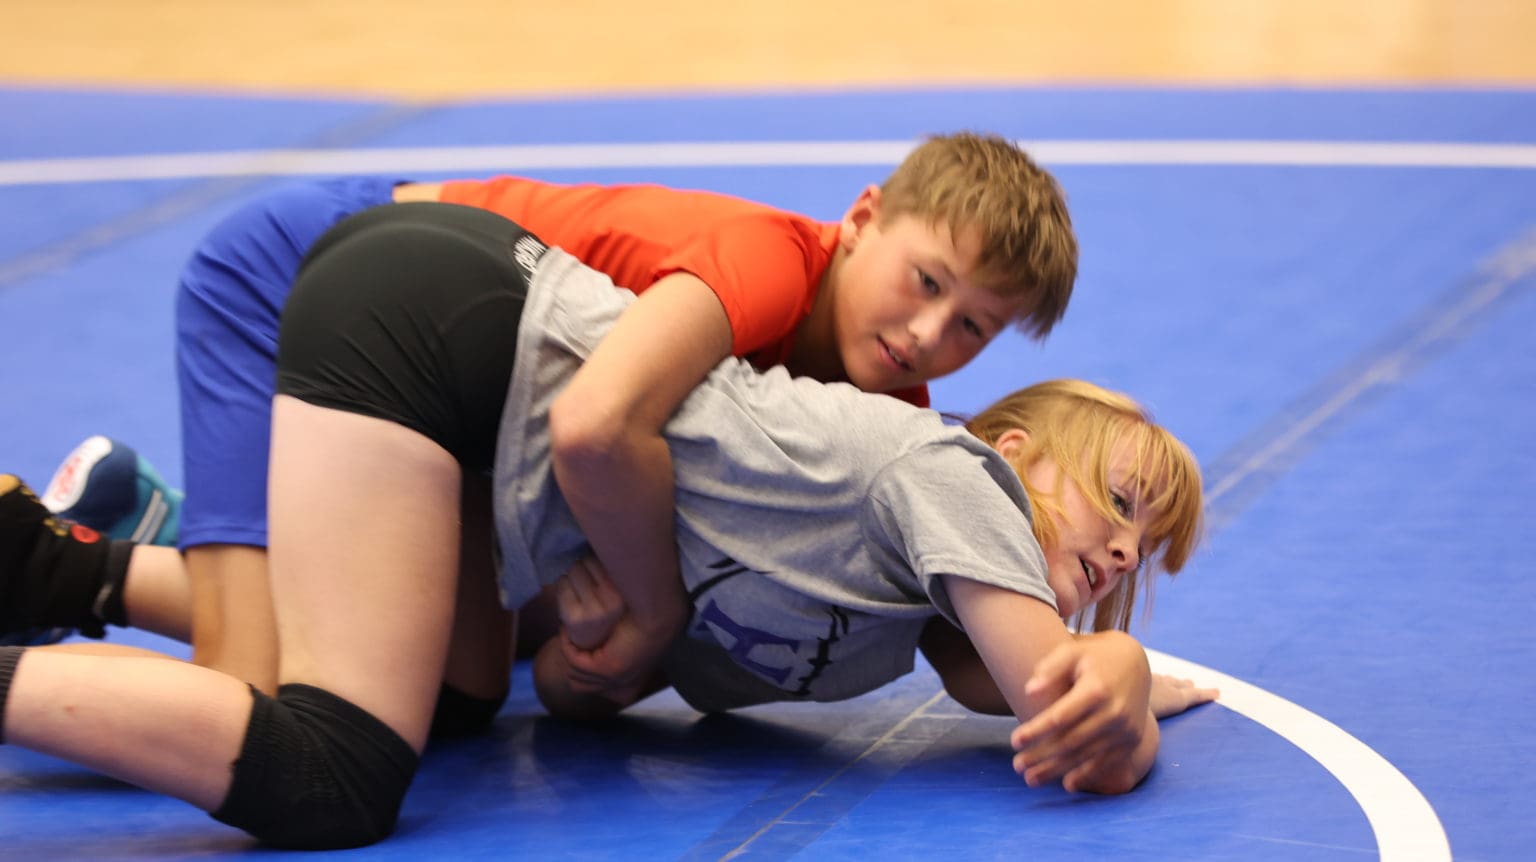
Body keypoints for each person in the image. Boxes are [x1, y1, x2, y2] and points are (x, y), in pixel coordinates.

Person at [0, 203, 1199, 850]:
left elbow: (581, 692)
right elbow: (1058, 688)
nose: (1118, 556)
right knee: (335, 768)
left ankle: (47, 563)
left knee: (461, 699)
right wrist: (1118, 679)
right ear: (1019, 455)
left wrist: (1124, 666)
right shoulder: (956, 479)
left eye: (1140, 561)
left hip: (462, 337)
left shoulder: (914, 616)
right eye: (1123, 504)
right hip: (453, 323)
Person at [4, 132, 1078, 710]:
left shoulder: (889, 407)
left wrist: (1104, 666)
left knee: (471, 676)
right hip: (314, 280)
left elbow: (956, 638)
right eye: (925, 281)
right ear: (859, 219)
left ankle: (140, 514)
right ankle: (52, 571)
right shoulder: (761, 261)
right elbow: (598, 428)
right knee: (252, 697)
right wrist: (650, 611)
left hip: (460, 408)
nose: (929, 335)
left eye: (973, 329)